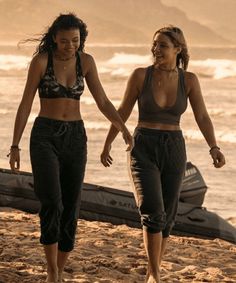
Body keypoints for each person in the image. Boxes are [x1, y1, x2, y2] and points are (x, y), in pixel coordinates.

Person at [8, 13, 132, 283]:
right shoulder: (41, 62)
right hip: (45, 136)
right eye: (64, 41)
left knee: (71, 204)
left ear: (81, 39)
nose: (70, 46)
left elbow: (102, 99)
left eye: (75, 40)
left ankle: (61, 269)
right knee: (52, 201)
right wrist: (15, 144)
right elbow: (26, 103)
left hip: (76, 137)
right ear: (54, 38)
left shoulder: (85, 61)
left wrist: (122, 127)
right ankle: (51, 270)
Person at [101, 25, 225, 283]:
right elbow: (122, 111)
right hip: (143, 145)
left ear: (178, 49)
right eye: (155, 44)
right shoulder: (139, 76)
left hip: (174, 147)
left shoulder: (188, 80)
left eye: (163, 45)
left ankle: (152, 269)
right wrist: (108, 143)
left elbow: (202, 116)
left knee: (167, 215)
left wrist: (214, 147)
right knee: (152, 208)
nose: (156, 49)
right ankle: (155, 274)